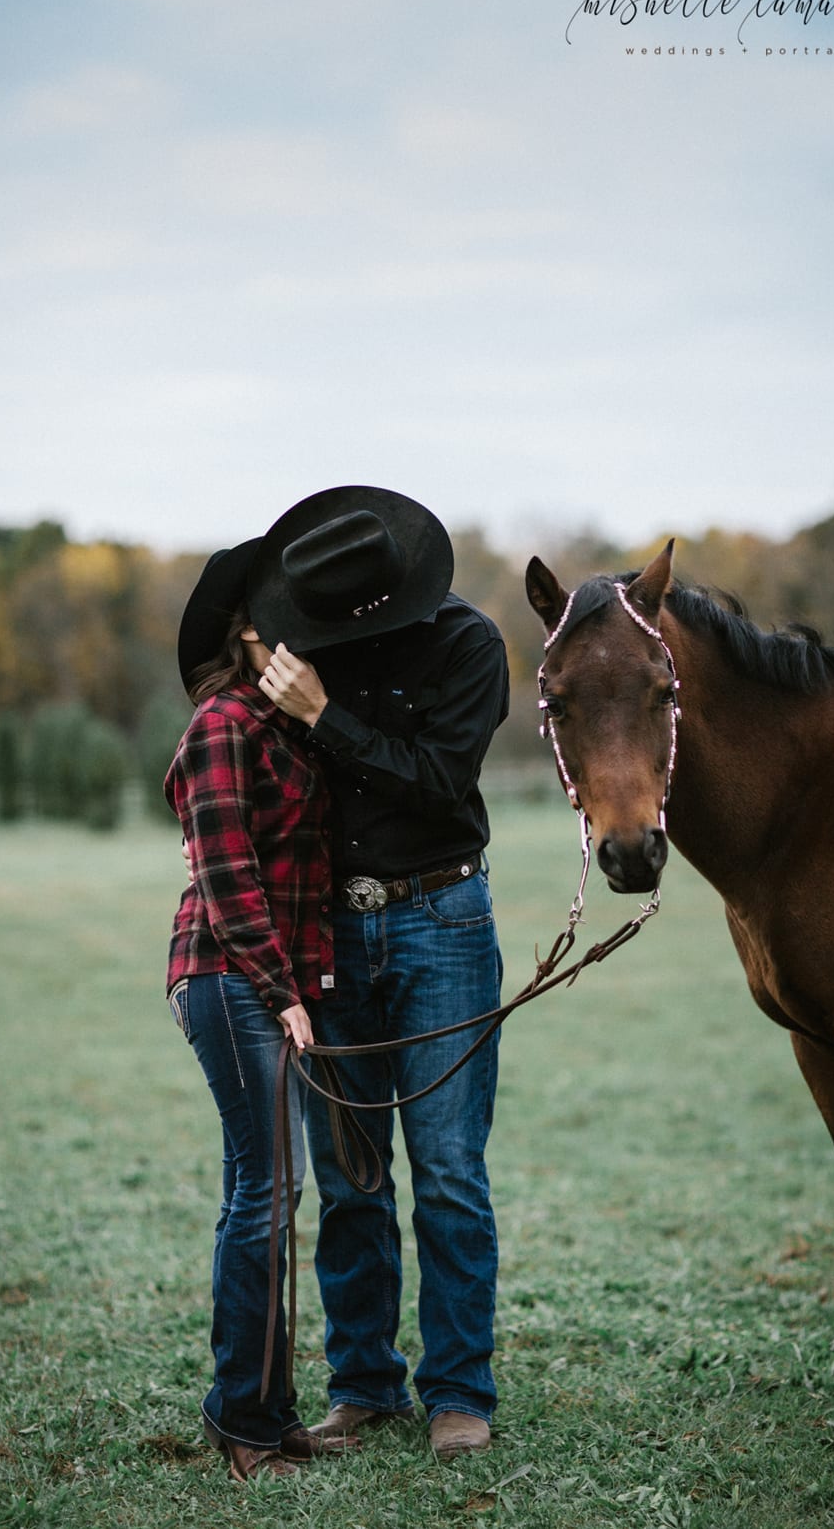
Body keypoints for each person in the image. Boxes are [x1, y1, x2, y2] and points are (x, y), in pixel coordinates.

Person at [244, 486, 510, 1460]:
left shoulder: (467, 646)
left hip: (441, 914)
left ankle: (457, 1396)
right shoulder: (304, 645)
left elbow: (442, 780)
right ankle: (362, 1386)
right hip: (329, 935)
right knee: (350, 1178)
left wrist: (325, 718)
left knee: (445, 1171)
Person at [164, 538, 357, 1482]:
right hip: (227, 978)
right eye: (279, 621)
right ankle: (241, 1418)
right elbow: (229, 875)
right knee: (264, 1191)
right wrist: (285, 996)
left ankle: (270, 1410)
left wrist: (305, 988)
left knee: (275, 1194)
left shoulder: (285, 727)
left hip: (270, 981)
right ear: (243, 636)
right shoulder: (221, 728)